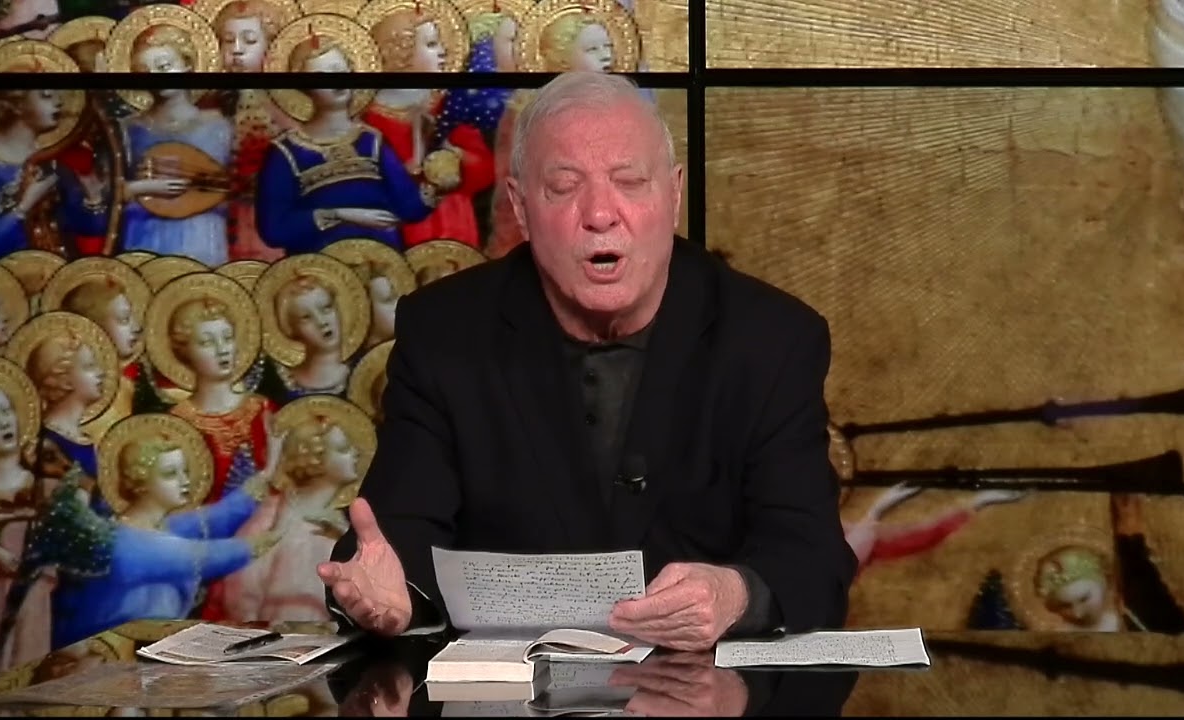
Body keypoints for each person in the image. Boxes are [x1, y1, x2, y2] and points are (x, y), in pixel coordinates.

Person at [318, 70, 857, 652]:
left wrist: (737, 594)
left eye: (630, 182)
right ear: (521, 206)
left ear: (674, 194)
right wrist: (393, 591)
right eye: (564, 186)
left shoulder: (771, 340)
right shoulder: (445, 333)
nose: (600, 214)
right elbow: (393, 540)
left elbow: (812, 558)